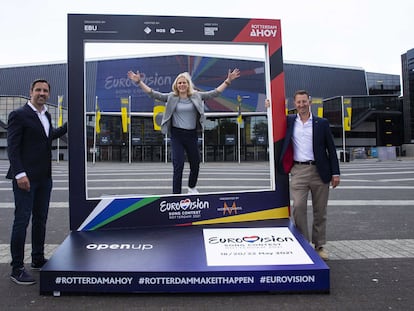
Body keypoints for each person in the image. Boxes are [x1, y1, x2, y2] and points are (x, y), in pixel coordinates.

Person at [128, 69, 240, 194]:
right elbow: (154, 94)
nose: (182, 85)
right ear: (176, 85)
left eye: (184, 83)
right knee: (178, 165)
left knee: (195, 164)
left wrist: (228, 81)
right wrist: (139, 82)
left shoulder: (197, 96)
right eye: (179, 83)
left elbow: (214, 93)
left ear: (188, 85)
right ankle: (176, 194)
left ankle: (191, 187)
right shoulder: (171, 97)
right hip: (177, 135)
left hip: (191, 135)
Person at [6, 79, 68, 285]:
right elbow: (12, 148)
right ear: (31, 91)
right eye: (38, 90)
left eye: (45, 91)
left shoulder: (46, 115)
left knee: (40, 219)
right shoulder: (18, 115)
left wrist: (69, 125)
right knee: (22, 221)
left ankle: (38, 258)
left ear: (49, 94)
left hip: (44, 177)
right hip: (25, 178)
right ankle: (16, 267)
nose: (42, 93)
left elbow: (49, 137)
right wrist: (19, 174)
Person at [269, 90, 340, 260]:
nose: (301, 105)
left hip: (319, 171)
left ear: (310, 102)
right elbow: (273, 121)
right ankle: (303, 243)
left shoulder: (321, 123)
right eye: (298, 102)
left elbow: (330, 148)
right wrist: (269, 107)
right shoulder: (289, 121)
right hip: (298, 171)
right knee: (299, 207)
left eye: (304, 101)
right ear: (295, 104)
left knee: (320, 211)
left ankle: (319, 245)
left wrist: (335, 173)